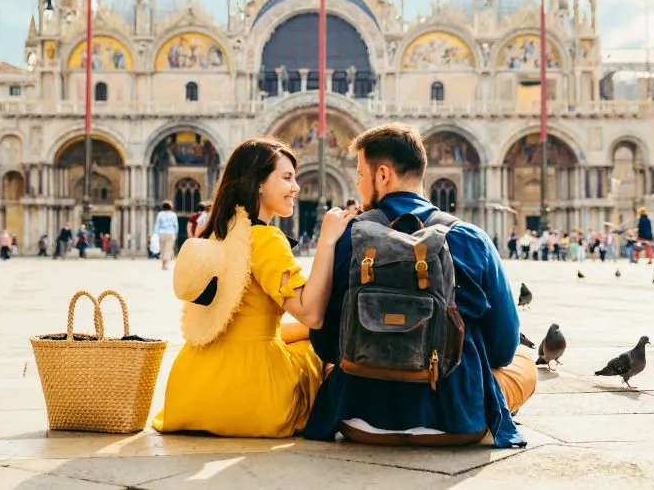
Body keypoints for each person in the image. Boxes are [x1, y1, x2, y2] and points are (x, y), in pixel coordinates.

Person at [304, 123, 533, 448]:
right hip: (458, 424)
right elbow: (502, 347)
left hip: (360, 421)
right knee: (524, 362)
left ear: (382, 175)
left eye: (359, 175)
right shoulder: (472, 238)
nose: (356, 185)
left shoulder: (347, 238)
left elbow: (326, 345)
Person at [153, 137, 355, 437]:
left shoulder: (218, 235)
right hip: (254, 397)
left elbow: (246, 323)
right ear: (259, 183)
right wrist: (327, 240)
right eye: (287, 177)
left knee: (301, 336)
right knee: (317, 350)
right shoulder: (265, 239)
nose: (296, 187)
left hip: (190, 393)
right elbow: (311, 314)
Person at [154, 201, 179, 270]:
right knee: (168, 249)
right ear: (170, 207)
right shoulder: (173, 214)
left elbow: (157, 224)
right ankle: (165, 265)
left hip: (161, 233)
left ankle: (163, 264)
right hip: (170, 233)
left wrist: (156, 234)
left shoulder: (160, 214)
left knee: (162, 249)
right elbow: (176, 225)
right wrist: (176, 234)